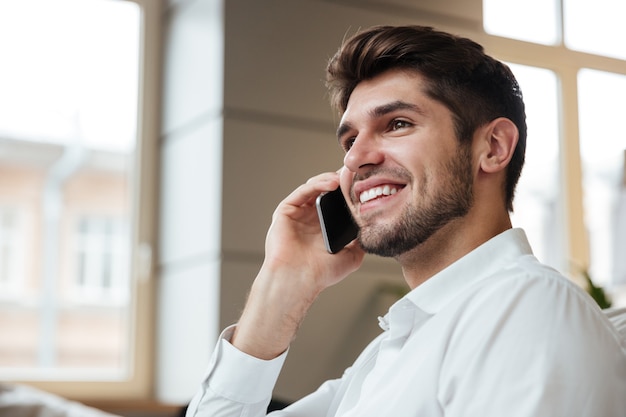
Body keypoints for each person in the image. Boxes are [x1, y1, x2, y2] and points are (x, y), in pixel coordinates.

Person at [185, 25, 626, 416]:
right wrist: (282, 284)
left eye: (396, 124)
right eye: (350, 139)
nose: (356, 158)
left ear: (492, 147)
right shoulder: (386, 355)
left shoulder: (527, 308)